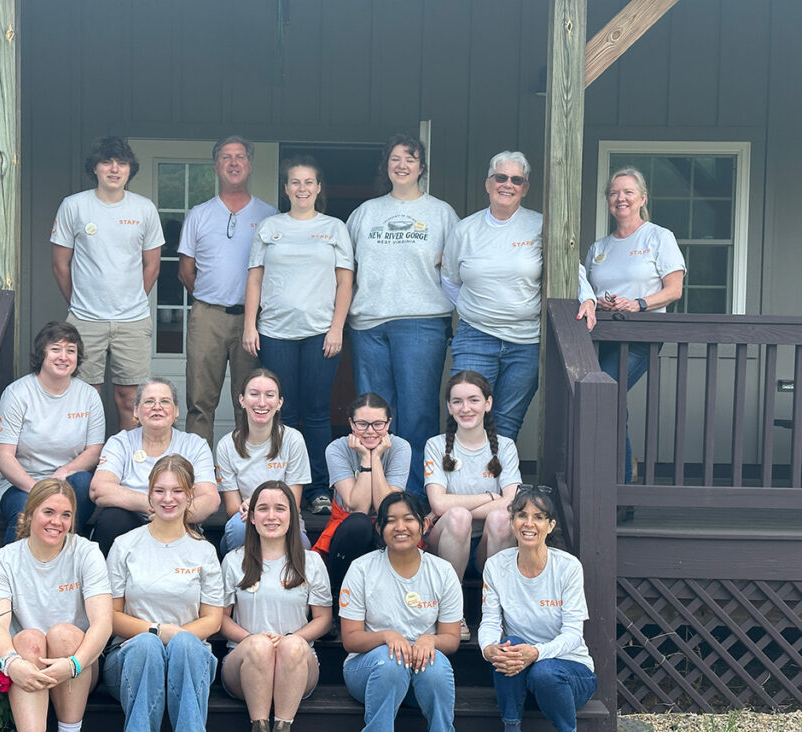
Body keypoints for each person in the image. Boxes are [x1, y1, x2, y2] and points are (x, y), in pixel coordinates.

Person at [441, 152, 596, 441]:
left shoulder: (541, 226)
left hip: (526, 341)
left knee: (507, 422)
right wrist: (474, 309)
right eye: (501, 177)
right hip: (476, 336)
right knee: (467, 416)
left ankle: (499, 485)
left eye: (516, 180)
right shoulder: (465, 230)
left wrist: (587, 298)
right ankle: (461, 485)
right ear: (488, 183)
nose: (507, 184)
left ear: (524, 188)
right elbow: (450, 280)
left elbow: (569, 267)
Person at [346, 134, 459, 495]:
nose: (402, 165)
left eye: (410, 159)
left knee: (418, 413)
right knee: (372, 418)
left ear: (421, 167)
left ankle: (413, 495)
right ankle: (376, 490)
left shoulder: (441, 213)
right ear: (387, 165)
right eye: (395, 158)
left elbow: (458, 268)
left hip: (422, 321)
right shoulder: (365, 213)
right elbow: (344, 270)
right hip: (368, 324)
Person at [242, 156, 353, 514]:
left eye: (309, 182)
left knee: (318, 413)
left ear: (318, 188)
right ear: (286, 188)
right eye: (295, 182)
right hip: (275, 332)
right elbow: (255, 278)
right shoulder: (270, 227)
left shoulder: (334, 227)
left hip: (321, 333)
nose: (302, 188)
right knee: (282, 414)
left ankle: (319, 489)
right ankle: (282, 490)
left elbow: (344, 281)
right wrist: (250, 324)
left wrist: (337, 327)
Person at [102, 455, 223, 732]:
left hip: (189, 662)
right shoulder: (125, 545)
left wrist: (176, 636)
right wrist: (157, 631)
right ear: (149, 495)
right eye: (160, 491)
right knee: (147, 645)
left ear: (190, 495)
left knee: (184, 645)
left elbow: (213, 619)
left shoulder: (204, 551)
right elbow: (111, 616)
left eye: (177, 491)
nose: (168, 498)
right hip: (130, 659)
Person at [0, 478, 112, 732]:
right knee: (28, 638)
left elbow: (103, 622)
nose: (57, 522)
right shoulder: (4, 560)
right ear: (29, 515)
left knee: (65, 634)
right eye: (48, 512)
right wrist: (11, 663)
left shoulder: (86, 552)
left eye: (66, 515)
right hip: (27, 666)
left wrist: (74, 663)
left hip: (78, 667)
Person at [339, 492, 464, 732]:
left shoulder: (442, 572)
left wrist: (429, 640)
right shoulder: (361, 569)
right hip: (369, 669)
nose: (400, 527)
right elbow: (350, 639)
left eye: (409, 519)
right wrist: (386, 636)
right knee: (391, 660)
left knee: (437, 662)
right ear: (379, 528)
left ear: (424, 525)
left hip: (418, 672)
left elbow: (452, 639)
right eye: (391, 521)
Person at [579, 167, 686, 483]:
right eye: (614, 193)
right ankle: (602, 483)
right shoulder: (599, 248)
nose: (620, 198)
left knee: (606, 400)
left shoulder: (658, 236)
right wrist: (601, 302)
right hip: (599, 337)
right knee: (602, 405)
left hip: (640, 337)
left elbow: (674, 289)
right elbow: (586, 291)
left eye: (627, 192)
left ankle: (619, 489)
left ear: (642, 197)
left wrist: (638, 303)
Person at [50, 137, 165, 430]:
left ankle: (128, 467)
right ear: (95, 168)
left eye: (122, 163)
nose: (115, 169)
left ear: (130, 170)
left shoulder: (144, 209)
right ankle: (85, 469)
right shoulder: (74, 206)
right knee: (83, 398)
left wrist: (133, 297)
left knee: (130, 399)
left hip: (133, 320)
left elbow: (152, 264)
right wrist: (79, 302)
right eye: (107, 162)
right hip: (85, 319)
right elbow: (60, 264)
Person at [479, 486, 597, 732]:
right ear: (511, 521)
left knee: (544, 670)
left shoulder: (568, 567)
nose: (529, 523)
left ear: (551, 525)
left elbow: (572, 635)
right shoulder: (496, 566)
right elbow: (490, 621)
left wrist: (536, 653)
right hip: (519, 670)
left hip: (571, 671)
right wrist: (488, 649)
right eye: (521, 515)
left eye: (539, 517)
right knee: (508, 646)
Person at [220, 480, 333, 732]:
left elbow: (323, 619)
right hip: (243, 661)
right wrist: (252, 639)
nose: (272, 516)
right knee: (258, 645)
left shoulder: (312, 562)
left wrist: (289, 639)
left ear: (293, 517)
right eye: (263, 509)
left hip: (297, 663)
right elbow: (219, 619)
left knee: (293, 646)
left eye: (280, 509)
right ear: (252, 518)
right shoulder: (234, 561)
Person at [178, 136, 279, 447]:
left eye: (239, 157)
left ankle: (245, 472)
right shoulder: (199, 214)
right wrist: (214, 299)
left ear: (249, 166)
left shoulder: (269, 215)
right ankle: (197, 475)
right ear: (216, 166)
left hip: (253, 321)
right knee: (200, 400)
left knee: (250, 401)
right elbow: (185, 271)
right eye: (226, 157)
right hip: (207, 316)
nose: (233, 163)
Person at [424, 370, 522, 640]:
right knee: (457, 518)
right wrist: (489, 498)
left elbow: (512, 503)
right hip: (445, 542)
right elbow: (437, 503)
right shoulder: (435, 446)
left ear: (488, 404)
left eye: (473, 400)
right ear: (449, 407)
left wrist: (455, 505)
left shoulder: (505, 446)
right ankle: (453, 614)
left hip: (487, 545)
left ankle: (493, 613)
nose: (465, 408)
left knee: (502, 519)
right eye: (457, 401)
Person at [0, 321, 105, 542]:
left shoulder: (89, 396)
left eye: (70, 351)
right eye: (55, 349)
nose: (63, 357)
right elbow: (3, 457)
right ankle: (9, 574)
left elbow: (94, 450)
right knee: (26, 514)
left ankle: (71, 548)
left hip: (67, 481)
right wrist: (39, 492)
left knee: (84, 482)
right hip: (22, 485)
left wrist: (65, 472)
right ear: (42, 354)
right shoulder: (17, 394)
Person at [89, 376, 220, 555]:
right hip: (131, 521)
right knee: (112, 519)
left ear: (176, 412)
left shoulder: (194, 445)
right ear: (136, 411)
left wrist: (172, 514)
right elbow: (99, 489)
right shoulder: (120, 442)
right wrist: (153, 504)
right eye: (149, 401)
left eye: (165, 401)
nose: (157, 407)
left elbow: (210, 499)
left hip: (180, 522)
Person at [313, 393, 410, 598]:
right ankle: (338, 597)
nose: (370, 432)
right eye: (362, 424)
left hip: (386, 525)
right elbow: (358, 507)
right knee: (360, 524)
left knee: (385, 526)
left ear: (389, 423)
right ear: (351, 423)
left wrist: (376, 458)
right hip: (348, 529)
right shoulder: (337, 449)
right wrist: (367, 457)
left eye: (378, 424)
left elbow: (387, 506)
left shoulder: (400, 447)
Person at [215, 369, 312, 555]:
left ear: (279, 403)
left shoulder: (293, 440)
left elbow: (294, 504)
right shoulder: (227, 445)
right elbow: (231, 508)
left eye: (269, 395)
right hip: (246, 521)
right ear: (242, 400)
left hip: (286, 520)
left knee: (303, 547)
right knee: (237, 528)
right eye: (254, 394)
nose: (261, 402)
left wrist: (262, 502)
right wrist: (255, 509)